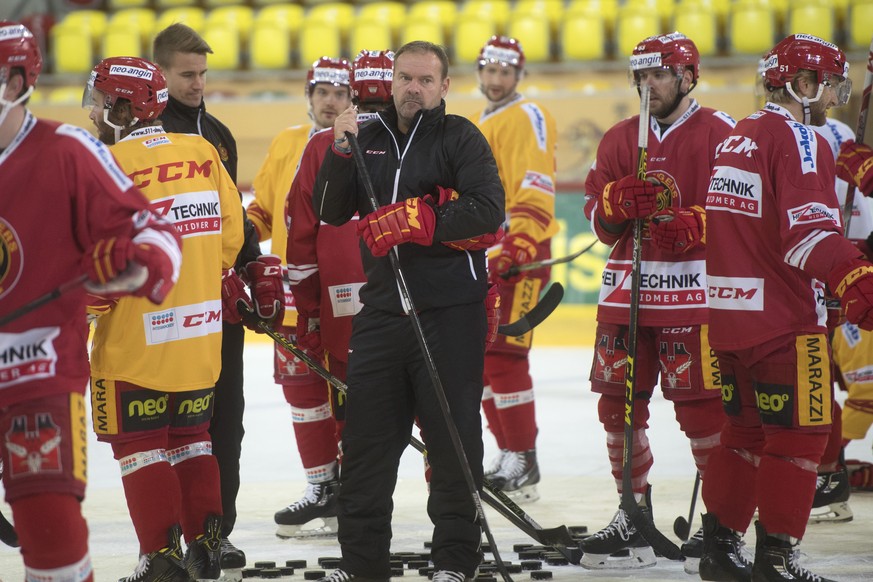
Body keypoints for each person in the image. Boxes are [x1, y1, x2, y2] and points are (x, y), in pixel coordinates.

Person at [312, 40, 504, 582]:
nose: (413, 89)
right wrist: (339, 149)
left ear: (444, 87)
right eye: (404, 78)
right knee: (367, 449)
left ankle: (454, 563)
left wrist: (425, 222)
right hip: (381, 316)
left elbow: (489, 209)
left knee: (451, 446)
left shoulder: (459, 136)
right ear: (390, 81)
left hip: (449, 313)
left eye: (425, 80)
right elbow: (329, 210)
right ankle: (361, 566)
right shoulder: (365, 135)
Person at [83, 55, 278, 581]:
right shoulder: (203, 152)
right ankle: (206, 545)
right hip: (199, 337)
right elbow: (232, 241)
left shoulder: (107, 164)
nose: (95, 112)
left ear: (124, 106)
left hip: (135, 340)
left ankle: (160, 557)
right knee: (192, 437)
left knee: (139, 444)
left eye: (101, 102)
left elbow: (96, 268)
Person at [0, 23, 180, 581]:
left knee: (50, 539)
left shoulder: (67, 151)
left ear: (17, 80)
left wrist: (129, 264)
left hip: (35, 371)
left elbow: (159, 240)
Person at [699, 34, 867, 582]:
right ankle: (777, 559)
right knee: (800, 437)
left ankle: (720, 551)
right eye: (827, 85)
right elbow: (806, 238)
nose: (832, 98)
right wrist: (856, 274)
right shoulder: (801, 138)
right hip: (785, 322)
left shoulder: (736, 137)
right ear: (801, 84)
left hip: (727, 318)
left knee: (743, 436)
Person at [580, 32, 735, 571]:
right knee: (617, 406)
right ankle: (633, 513)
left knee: (702, 411)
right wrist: (614, 204)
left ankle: (721, 522)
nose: (648, 86)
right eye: (641, 76)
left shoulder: (724, 134)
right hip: (625, 293)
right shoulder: (620, 138)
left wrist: (695, 225)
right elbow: (595, 220)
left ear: (688, 77)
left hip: (694, 295)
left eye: (660, 75)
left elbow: (745, 217)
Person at [152, 22, 261, 567]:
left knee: (225, 421)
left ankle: (216, 533)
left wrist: (257, 267)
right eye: (186, 74)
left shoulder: (219, 135)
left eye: (202, 73)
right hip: (162, 313)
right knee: (170, 423)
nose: (197, 83)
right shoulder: (139, 135)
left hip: (219, 311)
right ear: (161, 73)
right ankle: (167, 538)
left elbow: (233, 220)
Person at [247, 56, 353, 538]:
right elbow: (264, 209)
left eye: (340, 94)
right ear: (309, 95)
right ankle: (321, 488)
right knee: (302, 391)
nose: (330, 102)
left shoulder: (360, 142)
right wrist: (239, 236)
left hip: (347, 290)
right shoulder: (286, 142)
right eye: (322, 93)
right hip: (293, 288)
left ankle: (356, 491)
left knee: (352, 392)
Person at [469, 36, 558, 504]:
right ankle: (509, 453)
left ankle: (523, 457)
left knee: (505, 356)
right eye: (489, 70)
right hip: (492, 254)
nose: (496, 80)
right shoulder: (485, 118)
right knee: (484, 359)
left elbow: (535, 183)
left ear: (518, 76)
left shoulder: (526, 115)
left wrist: (521, 241)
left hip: (522, 253)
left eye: (505, 72)